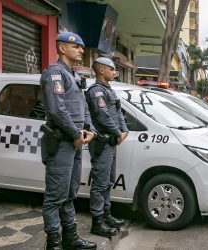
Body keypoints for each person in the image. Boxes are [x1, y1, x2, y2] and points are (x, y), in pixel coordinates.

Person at [40, 31, 97, 250]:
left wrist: (89, 130)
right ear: (62, 48)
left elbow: (82, 107)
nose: (81, 50)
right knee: (55, 196)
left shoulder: (72, 75)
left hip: (75, 142)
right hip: (62, 142)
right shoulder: (55, 73)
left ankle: (70, 238)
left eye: (82, 47)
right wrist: (75, 134)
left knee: (70, 193)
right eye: (76, 47)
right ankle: (53, 242)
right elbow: (57, 109)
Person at [85, 57, 129, 237]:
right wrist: (118, 133)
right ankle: (97, 221)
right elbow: (102, 116)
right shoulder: (96, 92)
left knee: (109, 181)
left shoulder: (109, 90)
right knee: (100, 183)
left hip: (111, 143)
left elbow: (118, 112)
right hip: (102, 143)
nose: (114, 72)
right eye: (112, 69)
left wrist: (124, 130)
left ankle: (107, 215)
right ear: (102, 70)